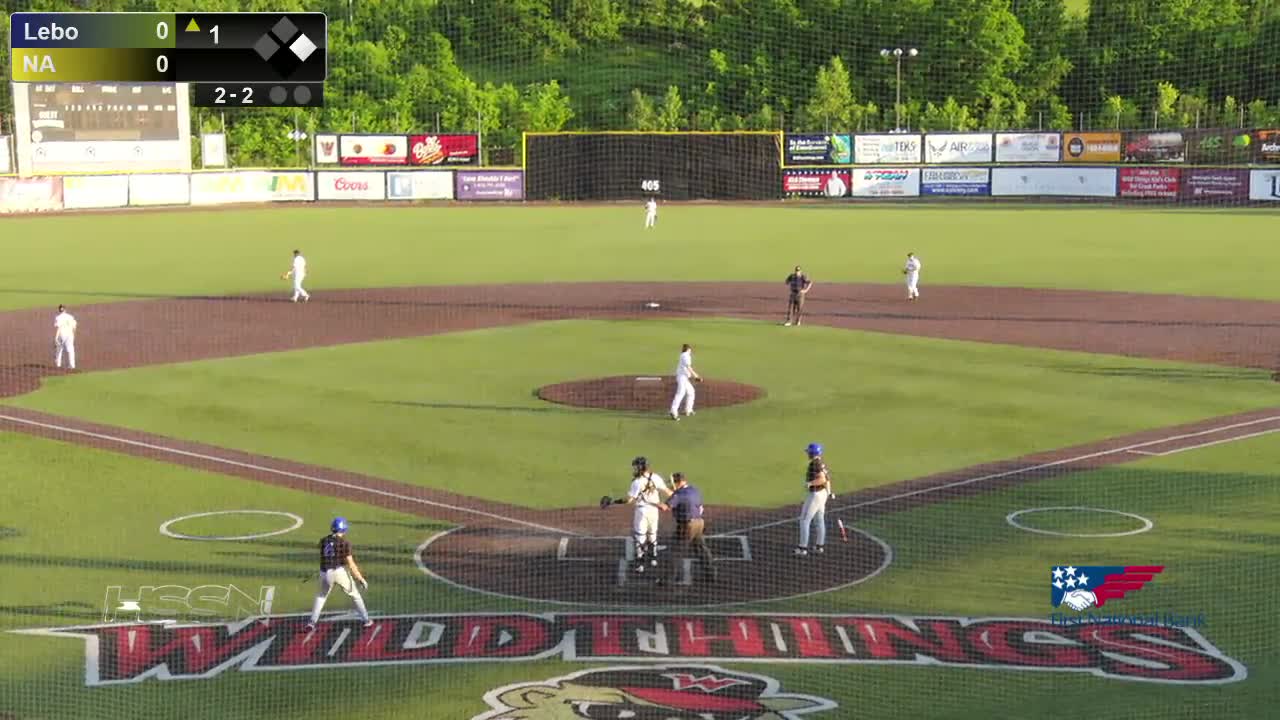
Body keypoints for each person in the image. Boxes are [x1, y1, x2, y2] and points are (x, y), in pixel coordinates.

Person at [306, 517, 372, 631]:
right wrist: (360, 579)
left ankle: (312, 622)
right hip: (338, 571)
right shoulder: (345, 543)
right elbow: (351, 564)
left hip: (324, 572)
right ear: (344, 529)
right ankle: (366, 620)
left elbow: (325, 555)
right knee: (355, 595)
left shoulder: (323, 540)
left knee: (321, 596)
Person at [614, 456, 670, 573]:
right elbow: (667, 492)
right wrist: (676, 498)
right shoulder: (656, 477)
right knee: (652, 533)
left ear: (641, 467)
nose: (634, 469)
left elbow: (629, 500)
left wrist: (614, 501)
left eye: (636, 467)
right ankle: (653, 558)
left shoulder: (637, 482)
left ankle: (640, 562)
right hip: (654, 511)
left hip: (642, 511)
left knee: (640, 536)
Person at [661, 472, 715, 585]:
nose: (672, 485)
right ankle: (710, 574)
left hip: (686, 526)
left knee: (674, 551)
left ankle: (667, 579)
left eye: (673, 482)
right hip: (699, 523)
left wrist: (650, 502)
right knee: (701, 549)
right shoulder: (694, 490)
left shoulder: (679, 495)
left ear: (679, 482)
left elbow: (665, 507)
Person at [796, 443, 833, 556]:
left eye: (809, 452)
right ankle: (819, 546)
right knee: (819, 520)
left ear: (813, 453)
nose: (807, 454)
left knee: (804, 520)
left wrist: (810, 483)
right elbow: (827, 480)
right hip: (823, 494)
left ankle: (802, 548)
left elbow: (821, 479)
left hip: (816, 494)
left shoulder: (815, 464)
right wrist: (829, 492)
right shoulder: (821, 463)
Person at [670, 343, 701, 421]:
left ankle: (688, 410)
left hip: (684, 378)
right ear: (688, 349)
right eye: (690, 349)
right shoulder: (685, 356)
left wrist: (694, 376)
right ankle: (673, 411)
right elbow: (689, 367)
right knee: (680, 393)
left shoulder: (685, 355)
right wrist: (696, 376)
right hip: (682, 378)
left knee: (691, 392)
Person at [53, 304, 78, 370]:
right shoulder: (70, 317)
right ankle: (72, 366)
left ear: (59, 310)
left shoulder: (58, 317)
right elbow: (74, 327)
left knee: (59, 350)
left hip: (61, 335)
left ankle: (58, 365)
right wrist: (73, 336)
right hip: (70, 335)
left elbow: (58, 328)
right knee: (70, 350)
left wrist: (55, 338)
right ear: (65, 310)